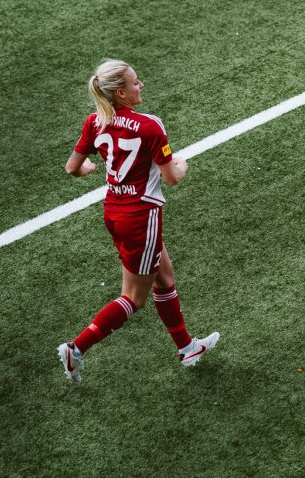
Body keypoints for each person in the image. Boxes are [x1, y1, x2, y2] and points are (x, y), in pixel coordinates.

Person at [58, 60, 219, 385]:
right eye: (135, 82)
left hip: (115, 213)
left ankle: (187, 347)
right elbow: (172, 177)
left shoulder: (95, 122)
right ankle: (75, 349)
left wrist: (90, 169)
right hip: (141, 218)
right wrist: (182, 162)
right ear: (121, 92)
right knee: (134, 297)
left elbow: (72, 167)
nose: (141, 85)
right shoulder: (150, 126)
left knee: (164, 274)